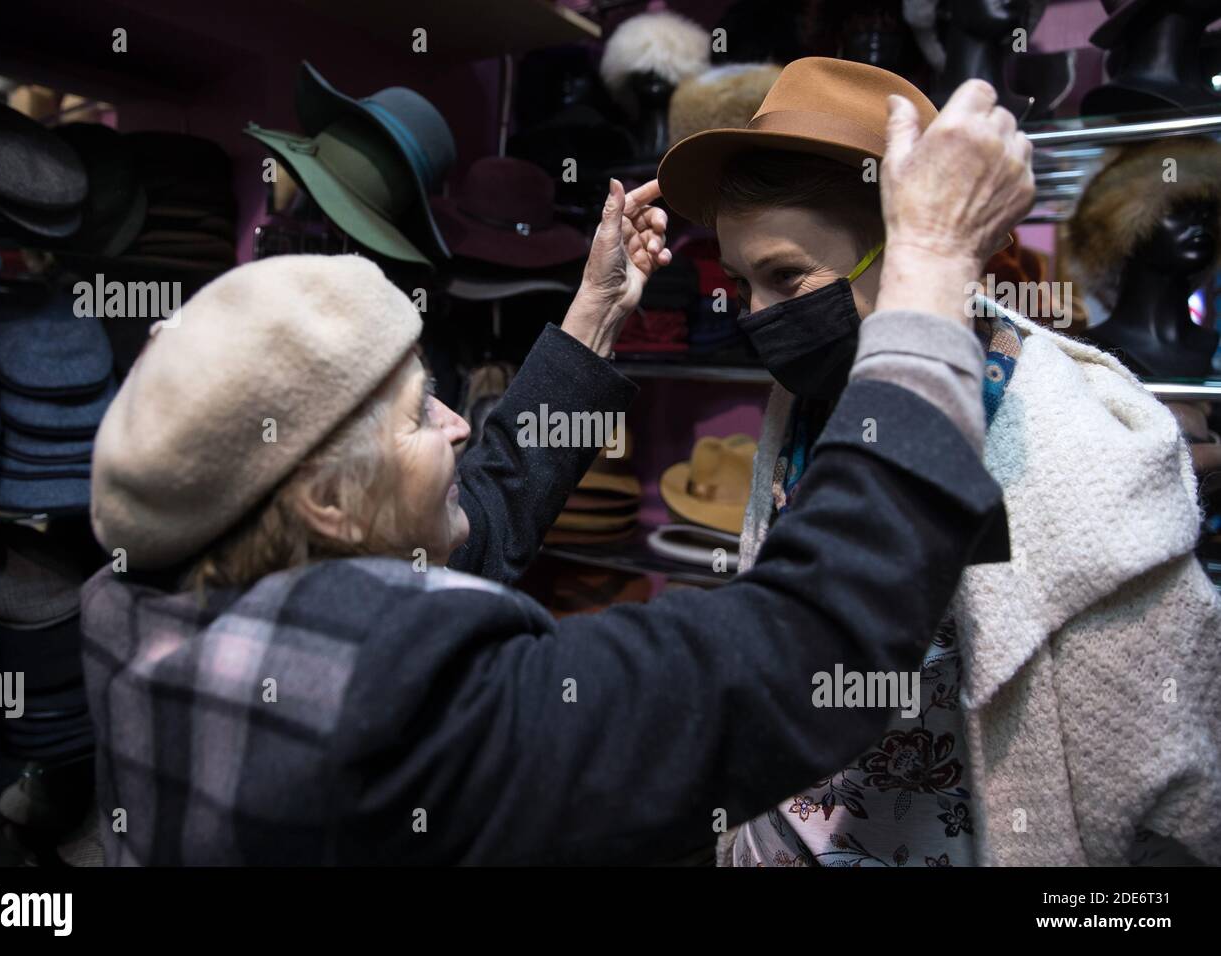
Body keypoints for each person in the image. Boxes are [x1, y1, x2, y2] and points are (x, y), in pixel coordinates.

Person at [80, 76, 1034, 865]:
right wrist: (929, 271)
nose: (459, 426)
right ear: (329, 504)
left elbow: (477, 521)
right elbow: (801, 649)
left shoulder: (137, 610)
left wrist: (595, 318)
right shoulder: (390, 702)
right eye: (419, 412)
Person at [657, 57, 1221, 867]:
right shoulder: (808, 413)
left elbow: (1164, 781)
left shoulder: (1070, 450)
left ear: (923, 240)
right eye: (744, 283)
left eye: (787, 276)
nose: (758, 318)